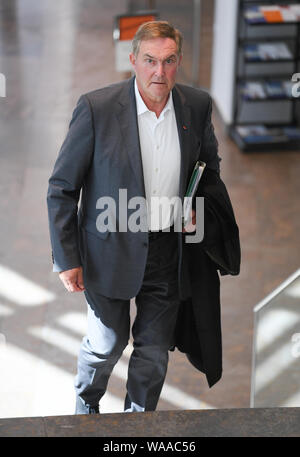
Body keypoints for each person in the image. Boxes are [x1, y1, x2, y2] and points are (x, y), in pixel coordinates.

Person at [47, 21, 224, 414]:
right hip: (109, 246)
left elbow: (209, 167)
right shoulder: (97, 108)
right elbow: (61, 187)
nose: (158, 72)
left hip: (167, 250)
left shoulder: (195, 106)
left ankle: (137, 427)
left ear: (179, 62)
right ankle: (85, 413)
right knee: (107, 344)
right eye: (149, 61)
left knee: (154, 351)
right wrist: (67, 257)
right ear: (133, 61)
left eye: (168, 61)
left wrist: (197, 205)